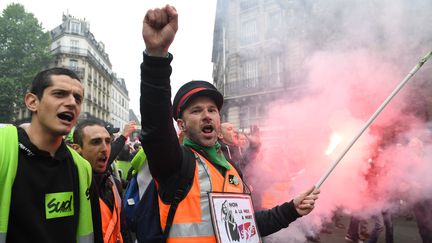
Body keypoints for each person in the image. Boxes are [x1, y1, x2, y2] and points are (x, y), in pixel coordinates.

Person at [139, 5, 319, 242]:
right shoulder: (176, 164)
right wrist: (156, 59)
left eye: (212, 110)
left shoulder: (231, 169)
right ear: (181, 125)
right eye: (196, 110)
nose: (207, 115)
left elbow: (249, 225)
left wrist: (291, 209)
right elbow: (156, 129)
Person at [0, 67, 100, 242]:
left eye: (78, 98)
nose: (72, 103)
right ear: (32, 102)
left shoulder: (82, 168)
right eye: (60, 94)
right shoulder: (3, 148)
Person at [72, 119, 132, 243]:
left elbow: (123, 229)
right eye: (96, 142)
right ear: (77, 149)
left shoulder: (114, 184)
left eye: (108, 141)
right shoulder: (70, 187)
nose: (105, 148)